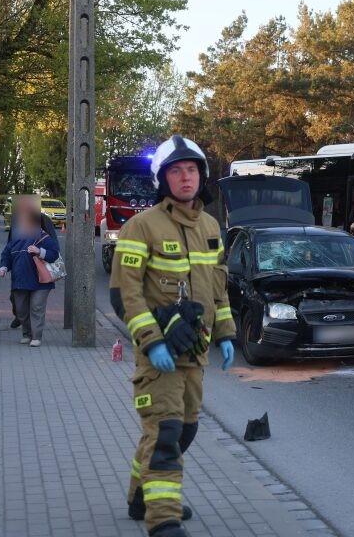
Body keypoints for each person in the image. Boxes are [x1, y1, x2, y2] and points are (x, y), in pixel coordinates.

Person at [109, 135, 236, 537]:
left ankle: (139, 496)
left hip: (195, 353)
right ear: (162, 179)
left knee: (184, 430)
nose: (186, 178)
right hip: (157, 356)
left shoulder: (212, 226)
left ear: (202, 175)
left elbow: (219, 288)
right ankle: (162, 519)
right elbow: (123, 293)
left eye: (192, 169)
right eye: (177, 171)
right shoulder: (140, 226)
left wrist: (226, 333)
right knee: (163, 433)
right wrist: (153, 340)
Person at [0, 204, 59, 347]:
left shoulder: (43, 236)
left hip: (41, 280)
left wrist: (39, 252)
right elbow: (6, 254)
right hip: (20, 279)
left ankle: (36, 337)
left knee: (36, 307)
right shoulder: (15, 238)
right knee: (21, 309)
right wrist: (4, 267)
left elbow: (54, 253)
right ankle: (26, 333)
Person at [6, 195, 57, 329]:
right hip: (19, 265)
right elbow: (10, 243)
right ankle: (21, 316)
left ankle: (30, 329)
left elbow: (53, 242)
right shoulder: (17, 221)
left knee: (35, 302)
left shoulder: (44, 220)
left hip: (38, 266)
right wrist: (7, 264)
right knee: (15, 297)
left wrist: (40, 251)